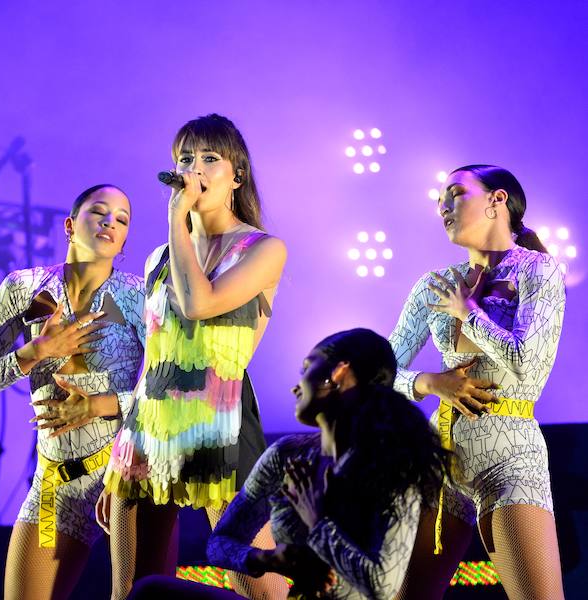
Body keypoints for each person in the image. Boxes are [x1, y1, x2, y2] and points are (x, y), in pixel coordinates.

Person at [98, 114, 289, 599]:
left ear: (236, 175)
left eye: (209, 158)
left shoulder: (263, 248)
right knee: (133, 592)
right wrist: (119, 451)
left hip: (217, 419)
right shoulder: (158, 257)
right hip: (149, 423)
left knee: (262, 589)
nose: (195, 168)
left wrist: (175, 222)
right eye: (185, 158)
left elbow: (198, 303)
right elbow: (153, 353)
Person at [388, 165, 567, 599]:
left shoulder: (538, 271)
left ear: (496, 200)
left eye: (454, 194)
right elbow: (379, 371)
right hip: (439, 459)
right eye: (438, 200)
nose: (442, 207)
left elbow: (527, 359)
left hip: (510, 458)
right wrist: (429, 382)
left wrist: (470, 312)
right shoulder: (435, 285)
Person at [0, 184, 145, 600]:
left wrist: (102, 404)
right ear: (70, 224)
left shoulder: (140, 296)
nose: (109, 222)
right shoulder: (23, 287)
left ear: (124, 241)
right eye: (99, 212)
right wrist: (34, 352)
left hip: (122, 477)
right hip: (54, 484)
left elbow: (165, 395)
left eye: (121, 220)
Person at [200, 328, 445, 600]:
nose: (296, 386)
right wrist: (265, 559)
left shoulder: (392, 466)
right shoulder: (288, 455)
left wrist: (316, 522)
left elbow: (381, 585)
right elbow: (219, 543)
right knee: (152, 590)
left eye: (306, 368)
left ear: (339, 372)